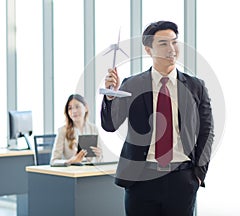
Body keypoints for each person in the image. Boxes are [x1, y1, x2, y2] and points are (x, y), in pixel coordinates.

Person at [101, 21, 214, 216]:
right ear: (148, 49)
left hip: (182, 179)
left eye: (174, 42)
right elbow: (110, 125)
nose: (171, 49)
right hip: (140, 179)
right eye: (163, 43)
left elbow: (206, 132)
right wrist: (111, 96)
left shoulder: (196, 87)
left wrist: (197, 175)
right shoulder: (133, 85)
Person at [51, 94, 103, 165]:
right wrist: (70, 161)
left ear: (86, 108)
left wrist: (99, 155)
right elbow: (53, 161)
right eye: (70, 108)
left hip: (89, 171)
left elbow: (100, 159)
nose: (74, 111)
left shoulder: (93, 129)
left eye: (77, 107)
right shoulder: (62, 131)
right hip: (71, 173)